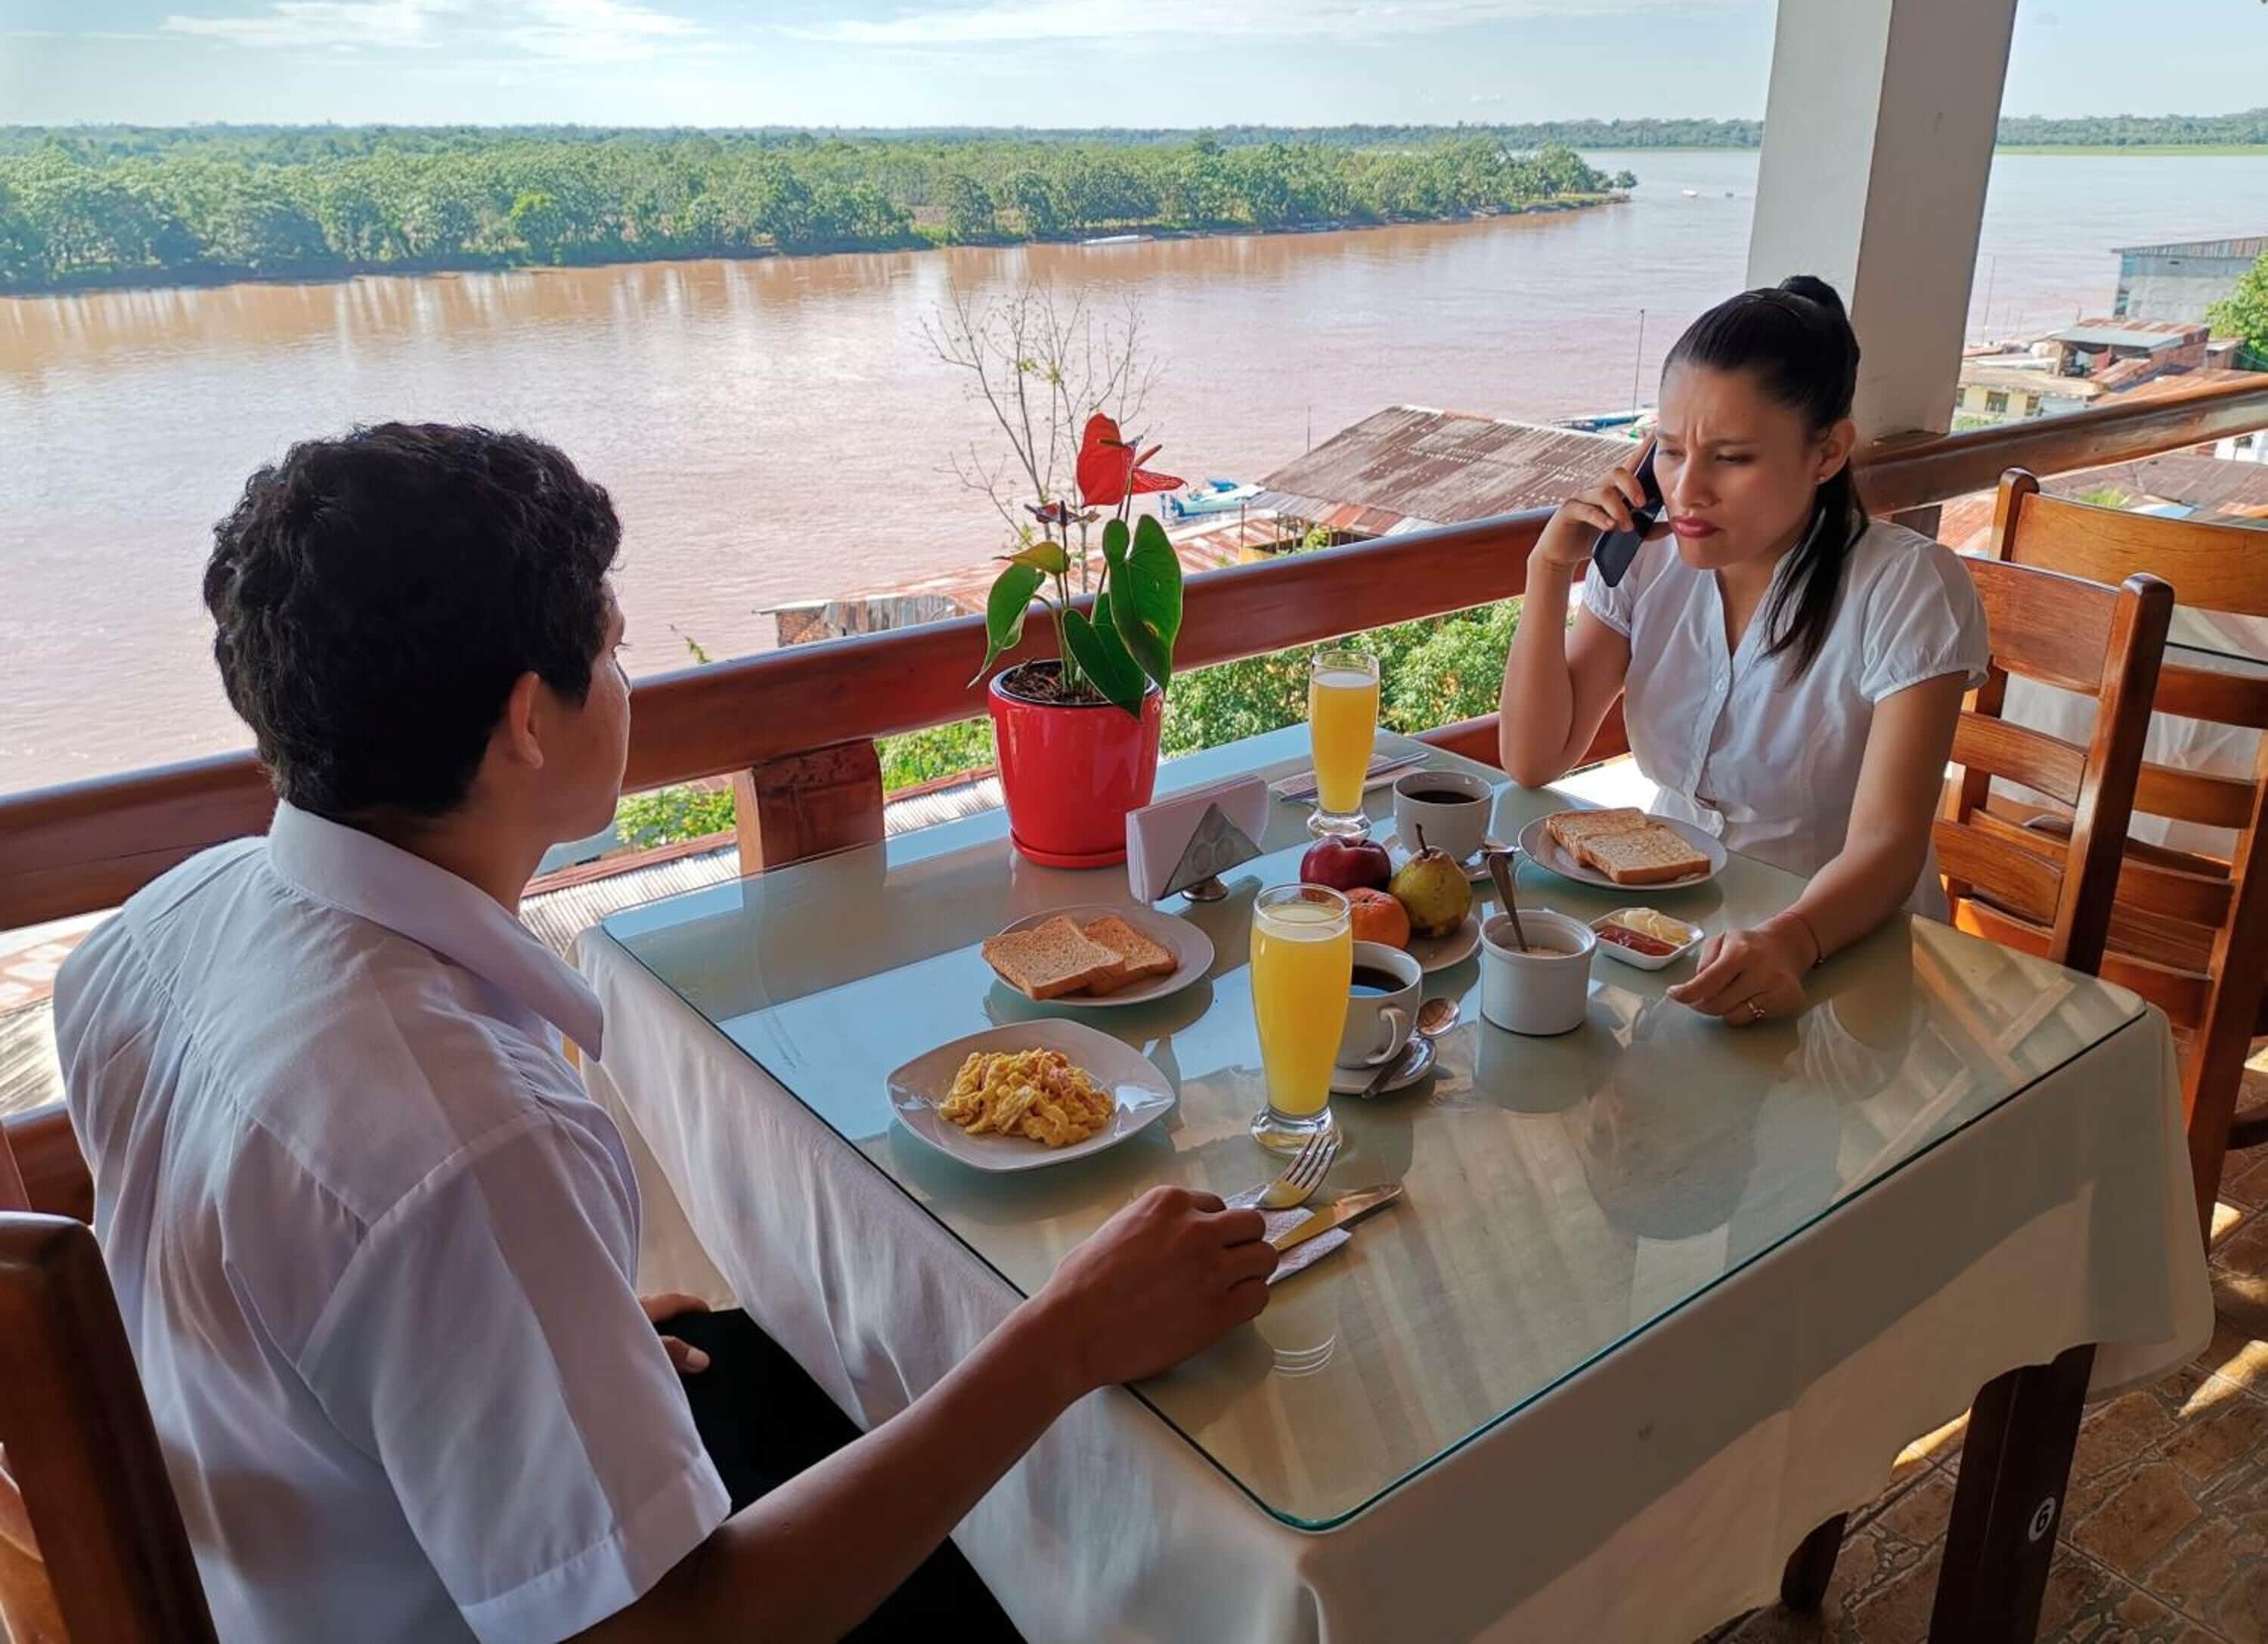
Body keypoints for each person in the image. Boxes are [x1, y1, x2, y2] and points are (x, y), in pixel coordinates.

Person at [51, 423, 1276, 1644]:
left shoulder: (156, 931)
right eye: (616, 653)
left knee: (766, 1362)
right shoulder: (467, 1138)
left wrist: (507, 1355)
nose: (629, 687)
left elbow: (248, 1300)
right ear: (529, 719)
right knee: (1078, 1567)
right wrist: (1063, 1342)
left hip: (316, 1559)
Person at [1498, 276, 1988, 1027]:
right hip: (1674, 935)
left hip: (1847, 961)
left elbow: (1890, 844)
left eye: (1729, 457)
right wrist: (1548, 569)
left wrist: (1791, 941)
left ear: (1828, 453)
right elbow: (1536, 758)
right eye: (1668, 450)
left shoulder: (1906, 586)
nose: (1688, 489)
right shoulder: (1646, 560)